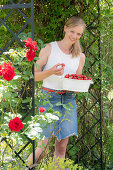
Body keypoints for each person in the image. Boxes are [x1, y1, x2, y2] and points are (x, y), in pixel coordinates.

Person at [27, 16, 86, 168]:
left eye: (78, 34)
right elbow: (34, 76)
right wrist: (51, 72)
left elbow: (77, 82)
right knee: (42, 145)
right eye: (72, 31)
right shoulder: (49, 48)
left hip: (68, 100)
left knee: (61, 146)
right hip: (49, 98)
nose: (74, 36)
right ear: (65, 28)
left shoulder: (80, 57)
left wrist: (78, 85)